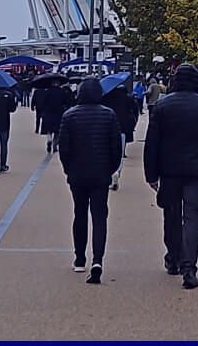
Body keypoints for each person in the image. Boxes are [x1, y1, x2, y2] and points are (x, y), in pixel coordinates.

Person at [144, 63, 198, 289]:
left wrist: (151, 174)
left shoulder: (162, 106)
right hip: (196, 169)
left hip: (169, 169)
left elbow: (152, 144)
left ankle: (173, 257)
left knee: (171, 215)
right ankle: (189, 267)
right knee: (192, 218)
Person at [58, 78, 123, 284]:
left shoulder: (69, 115)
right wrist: (111, 168)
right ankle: (97, 260)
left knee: (79, 213)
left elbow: (64, 148)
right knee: (99, 215)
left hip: (77, 172)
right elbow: (116, 148)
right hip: (101, 171)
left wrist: (68, 169)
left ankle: (79, 258)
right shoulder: (109, 115)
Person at [100, 80, 140, 191]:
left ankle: (109, 173)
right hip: (122, 127)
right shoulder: (127, 97)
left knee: (107, 152)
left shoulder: (106, 98)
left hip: (108, 127)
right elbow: (134, 110)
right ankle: (117, 171)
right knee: (119, 153)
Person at [36, 81, 69, 153]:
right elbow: (66, 102)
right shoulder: (62, 91)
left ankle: (49, 140)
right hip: (58, 113)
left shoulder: (47, 92)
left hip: (48, 113)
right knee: (57, 131)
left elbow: (43, 103)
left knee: (48, 129)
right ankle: (55, 145)